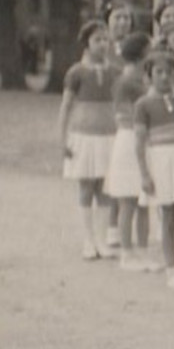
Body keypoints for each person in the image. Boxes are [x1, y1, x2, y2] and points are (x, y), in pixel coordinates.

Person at [135, 52, 174, 290]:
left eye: (169, 72)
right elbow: (139, 143)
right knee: (168, 216)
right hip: (161, 161)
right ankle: (172, 268)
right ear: (149, 75)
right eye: (158, 72)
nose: (164, 77)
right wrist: (144, 174)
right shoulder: (143, 105)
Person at [57, 21, 118, 261]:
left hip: (108, 136)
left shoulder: (115, 71)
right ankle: (88, 240)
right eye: (97, 40)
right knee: (86, 187)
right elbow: (66, 107)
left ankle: (102, 240)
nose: (102, 45)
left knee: (104, 189)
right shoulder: (76, 73)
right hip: (83, 136)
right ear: (87, 43)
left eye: (105, 40)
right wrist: (63, 139)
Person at [103, 32, 153, 271]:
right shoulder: (125, 82)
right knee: (128, 201)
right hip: (129, 140)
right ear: (142, 54)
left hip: (145, 139)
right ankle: (126, 252)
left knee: (144, 201)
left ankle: (142, 251)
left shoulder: (144, 81)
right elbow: (124, 116)